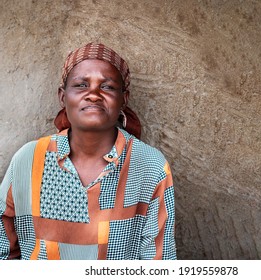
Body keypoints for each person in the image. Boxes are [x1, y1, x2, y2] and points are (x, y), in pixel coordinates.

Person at [0, 42, 176, 260]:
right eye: (81, 85)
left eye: (108, 87)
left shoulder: (150, 165)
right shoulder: (28, 158)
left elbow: (159, 261)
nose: (94, 94)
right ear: (63, 97)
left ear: (124, 99)